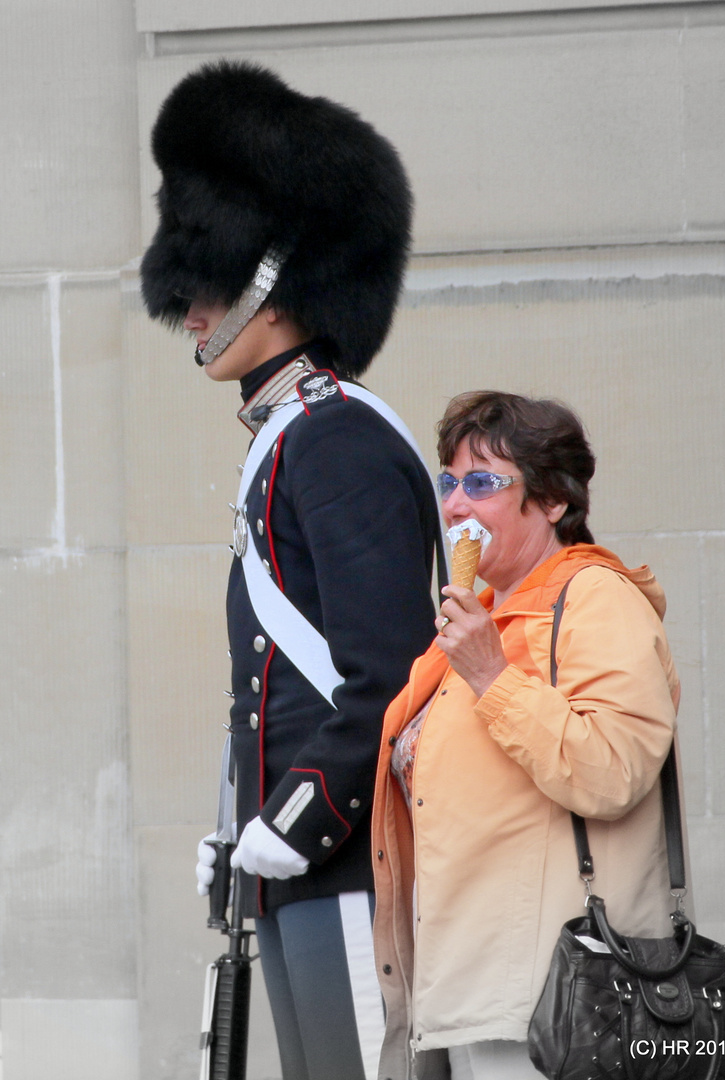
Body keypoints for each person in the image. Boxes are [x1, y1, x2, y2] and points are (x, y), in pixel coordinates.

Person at [140, 61, 441, 1080]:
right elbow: (273, 684)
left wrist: (305, 810)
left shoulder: (336, 440)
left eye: (207, 276)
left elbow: (389, 670)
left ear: (276, 277)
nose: (187, 306)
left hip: (355, 862)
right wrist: (245, 834)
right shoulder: (295, 437)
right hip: (304, 868)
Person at [371, 391, 685, 1080]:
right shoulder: (486, 613)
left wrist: (492, 676)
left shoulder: (596, 599)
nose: (456, 506)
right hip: (475, 986)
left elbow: (613, 771)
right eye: (448, 483)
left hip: (562, 994)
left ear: (551, 501)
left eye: (482, 483)